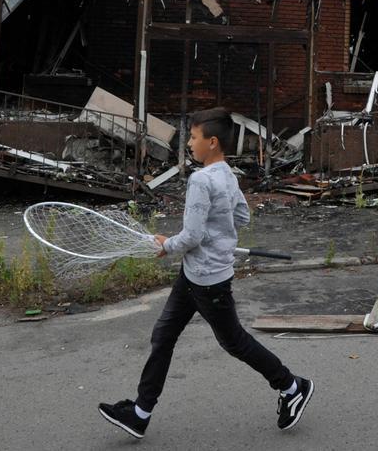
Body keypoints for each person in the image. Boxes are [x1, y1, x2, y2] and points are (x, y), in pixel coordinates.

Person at [98, 106, 314, 438]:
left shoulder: (201, 180)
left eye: (194, 138)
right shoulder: (228, 174)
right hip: (194, 276)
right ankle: (140, 413)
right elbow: (240, 218)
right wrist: (218, 237)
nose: (189, 144)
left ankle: (291, 386)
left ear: (212, 142)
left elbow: (192, 237)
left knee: (235, 343)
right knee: (164, 336)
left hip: (209, 281)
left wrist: (166, 244)